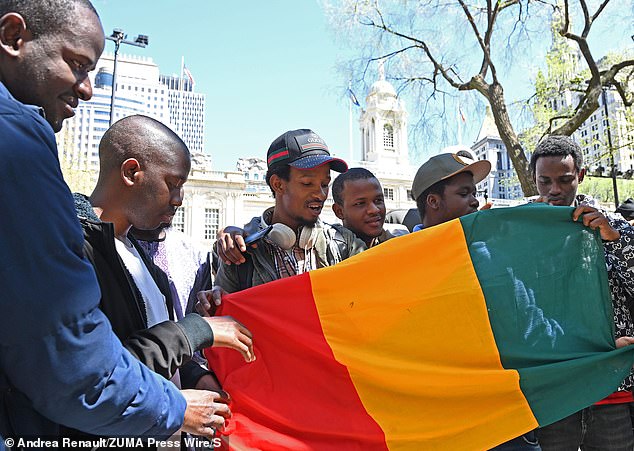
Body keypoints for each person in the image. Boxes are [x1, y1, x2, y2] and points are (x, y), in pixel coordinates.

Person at [0, 0, 192, 441]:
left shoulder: (149, 261)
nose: (87, 90)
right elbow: (76, 366)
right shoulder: (19, 144)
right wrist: (177, 405)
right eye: (77, 65)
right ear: (14, 37)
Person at [411, 152, 545, 450]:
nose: (475, 201)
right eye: (464, 193)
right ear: (433, 202)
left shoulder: (491, 254)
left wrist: (597, 349)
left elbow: (530, 321)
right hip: (439, 424)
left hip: (503, 419)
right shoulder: (399, 263)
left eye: (475, 192)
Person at [531, 135, 634, 450]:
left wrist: (612, 239)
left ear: (581, 176)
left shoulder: (616, 228)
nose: (555, 190)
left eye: (564, 180)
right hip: (555, 389)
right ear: (533, 180)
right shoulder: (522, 232)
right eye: (544, 181)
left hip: (611, 388)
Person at [212, 129, 366, 294]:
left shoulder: (345, 243)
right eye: (307, 183)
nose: (320, 194)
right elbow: (223, 315)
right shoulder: (240, 253)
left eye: (324, 184)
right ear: (278, 184)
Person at [331, 167, 408, 247]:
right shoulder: (329, 252)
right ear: (339, 211)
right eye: (360, 203)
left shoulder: (401, 240)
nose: (374, 210)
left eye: (378, 200)